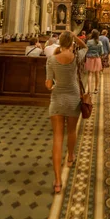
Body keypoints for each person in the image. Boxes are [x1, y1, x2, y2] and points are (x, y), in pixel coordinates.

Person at [45, 31, 87, 194]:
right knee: (71, 131)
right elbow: (85, 47)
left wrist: (53, 86)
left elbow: (48, 85)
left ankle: (57, 181)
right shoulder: (76, 57)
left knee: (57, 139)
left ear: (59, 43)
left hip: (57, 100)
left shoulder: (51, 60)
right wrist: (75, 37)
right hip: (73, 99)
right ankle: (70, 156)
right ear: (71, 43)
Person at [85, 29, 104, 94]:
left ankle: (89, 90)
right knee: (97, 73)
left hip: (90, 58)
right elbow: (102, 52)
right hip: (97, 58)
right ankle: (96, 89)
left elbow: (86, 50)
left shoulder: (89, 42)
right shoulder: (100, 42)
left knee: (90, 74)